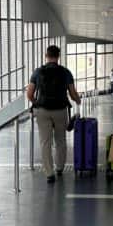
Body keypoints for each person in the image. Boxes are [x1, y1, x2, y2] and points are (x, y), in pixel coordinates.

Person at [26, 45, 81, 184]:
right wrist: (78, 100)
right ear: (58, 56)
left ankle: (49, 173)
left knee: (45, 142)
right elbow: (72, 93)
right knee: (60, 140)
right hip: (60, 110)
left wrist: (37, 103)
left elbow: (29, 94)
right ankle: (60, 168)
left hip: (42, 111)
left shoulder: (38, 72)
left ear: (46, 56)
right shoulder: (65, 72)